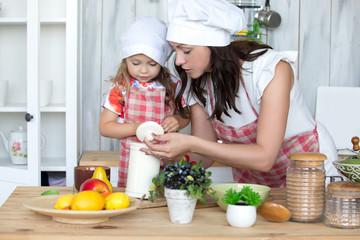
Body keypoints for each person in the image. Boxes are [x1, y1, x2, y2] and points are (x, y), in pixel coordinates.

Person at [141, 0, 338, 187]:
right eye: (176, 50)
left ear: (214, 46)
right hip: (257, 181)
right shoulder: (199, 80)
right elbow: (205, 156)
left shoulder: (271, 70)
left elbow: (265, 158)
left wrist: (190, 143)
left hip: (310, 171)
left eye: (186, 51)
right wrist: (168, 156)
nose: (178, 61)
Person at [99, 16, 190, 187]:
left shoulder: (173, 84)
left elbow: (186, 115)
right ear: (126, 59)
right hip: (133, 158)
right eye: (135, 63)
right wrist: (137, 128)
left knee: (163, 196)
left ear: (162, 62)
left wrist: (178, 120)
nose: (143, 70)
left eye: (152, 64)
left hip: (166, 156)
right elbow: (105, 127)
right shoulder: (121, 87)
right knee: (134, 194)